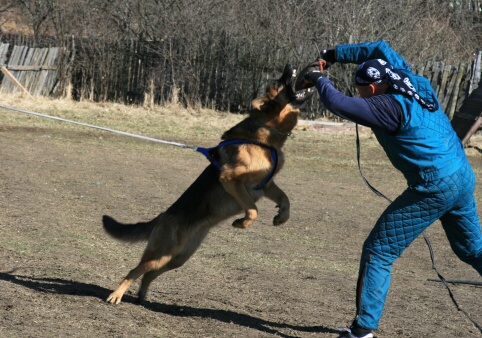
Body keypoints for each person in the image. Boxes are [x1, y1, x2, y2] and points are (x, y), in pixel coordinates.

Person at [299, 40, 482, 338]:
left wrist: (319, 78)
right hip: (462, 174)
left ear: (370, 89)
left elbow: (338, 104)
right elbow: (379, 47)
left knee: (379, 250)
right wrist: (331, 56)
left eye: (361, 90)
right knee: (472, 250)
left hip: (435, 185)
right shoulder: (407, 77)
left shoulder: (386, 107)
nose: (361, 95)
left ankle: (362, 330)